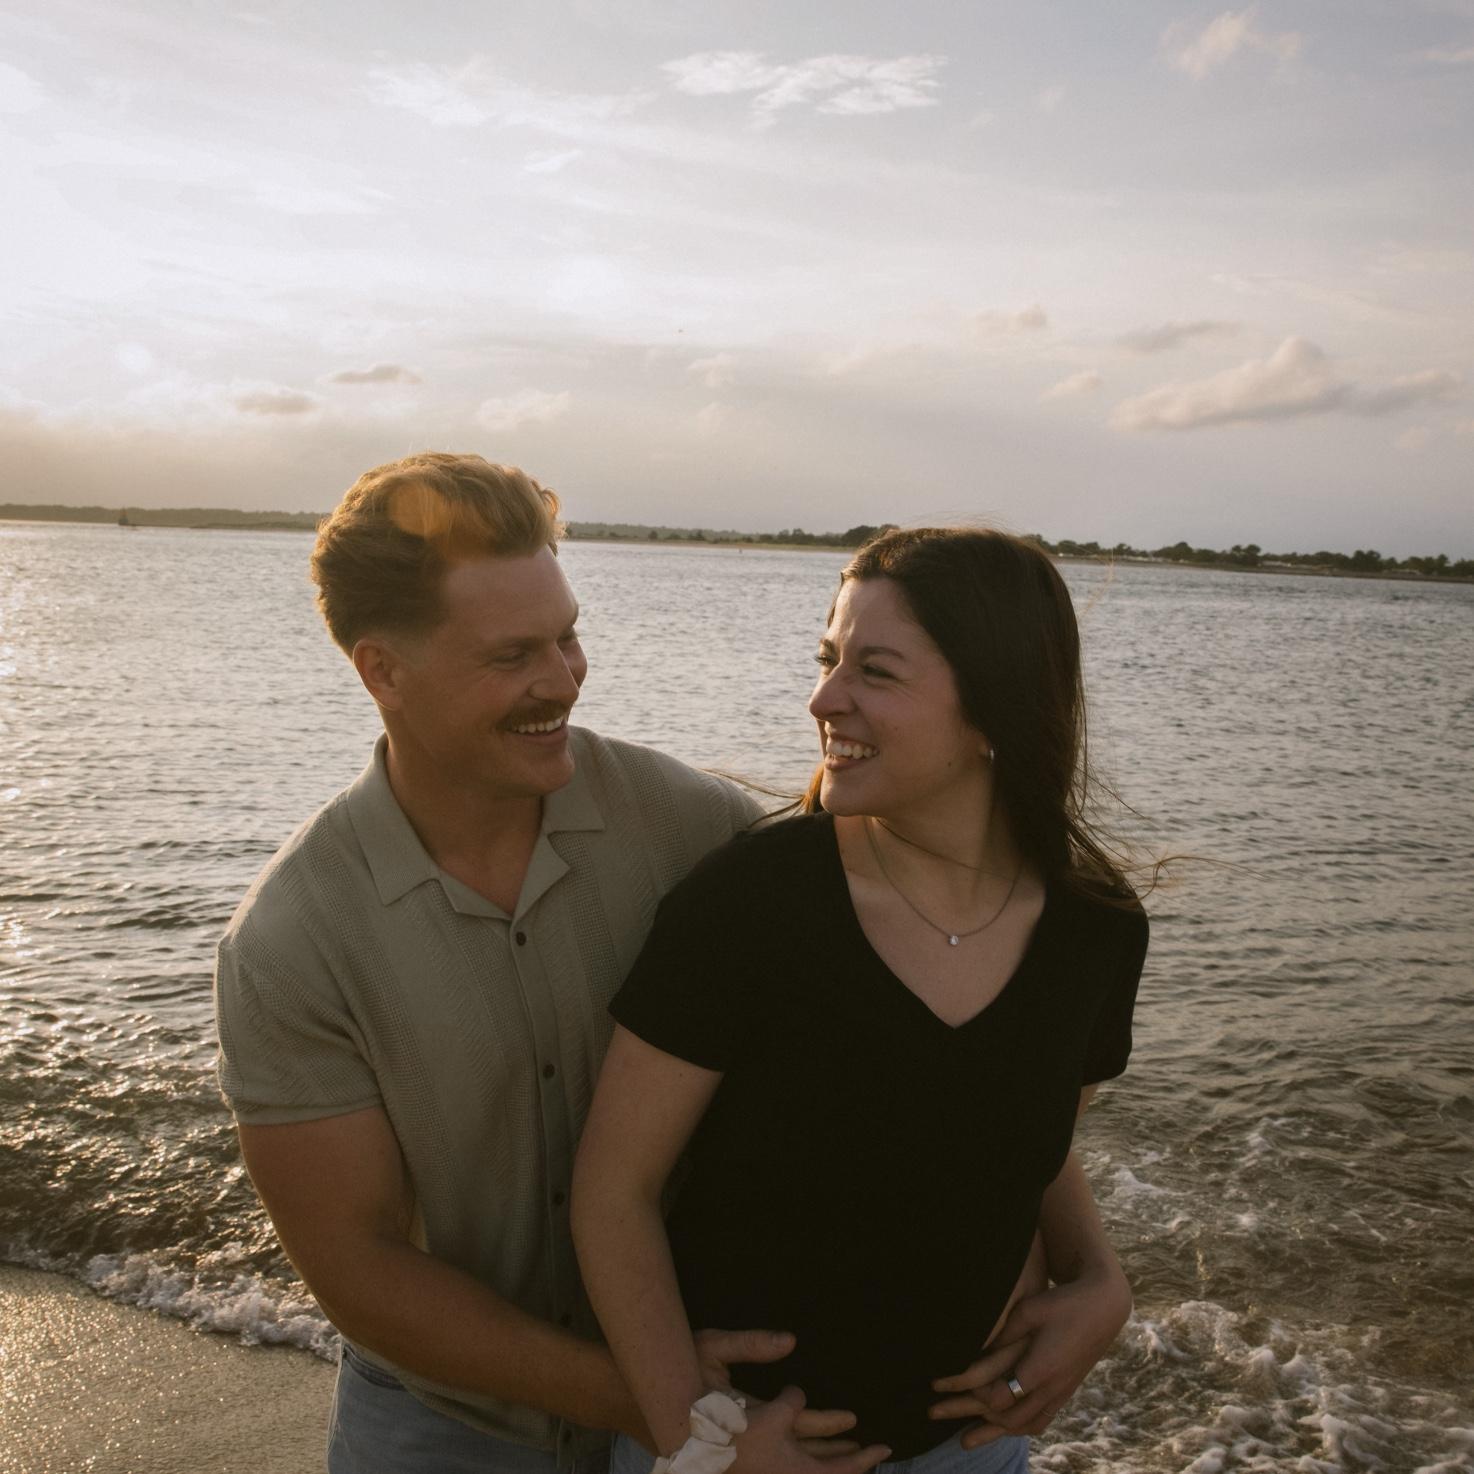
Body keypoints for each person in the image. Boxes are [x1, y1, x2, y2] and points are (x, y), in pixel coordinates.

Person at [213, 453, 869, 1474]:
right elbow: (357, 1265)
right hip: (443, 1429)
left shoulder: (694, 828)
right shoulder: (292, 940)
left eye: (568, 637)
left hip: (712, 1393)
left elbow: (912, 1011)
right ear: (383, 671)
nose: (563, 679)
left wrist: (1079, 1266)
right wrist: (669, 1406)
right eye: (513, 654)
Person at [572, 527, 1148, 1474]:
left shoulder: (1095, 932)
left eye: (874, 672)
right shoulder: (750, 902)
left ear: (996, 705)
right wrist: (693, 1434)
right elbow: (611, 1193)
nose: (822, 698)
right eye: (828, 659)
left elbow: (1016, 1136)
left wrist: (1100, 1278)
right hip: (741, 1447)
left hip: (971, 1450)